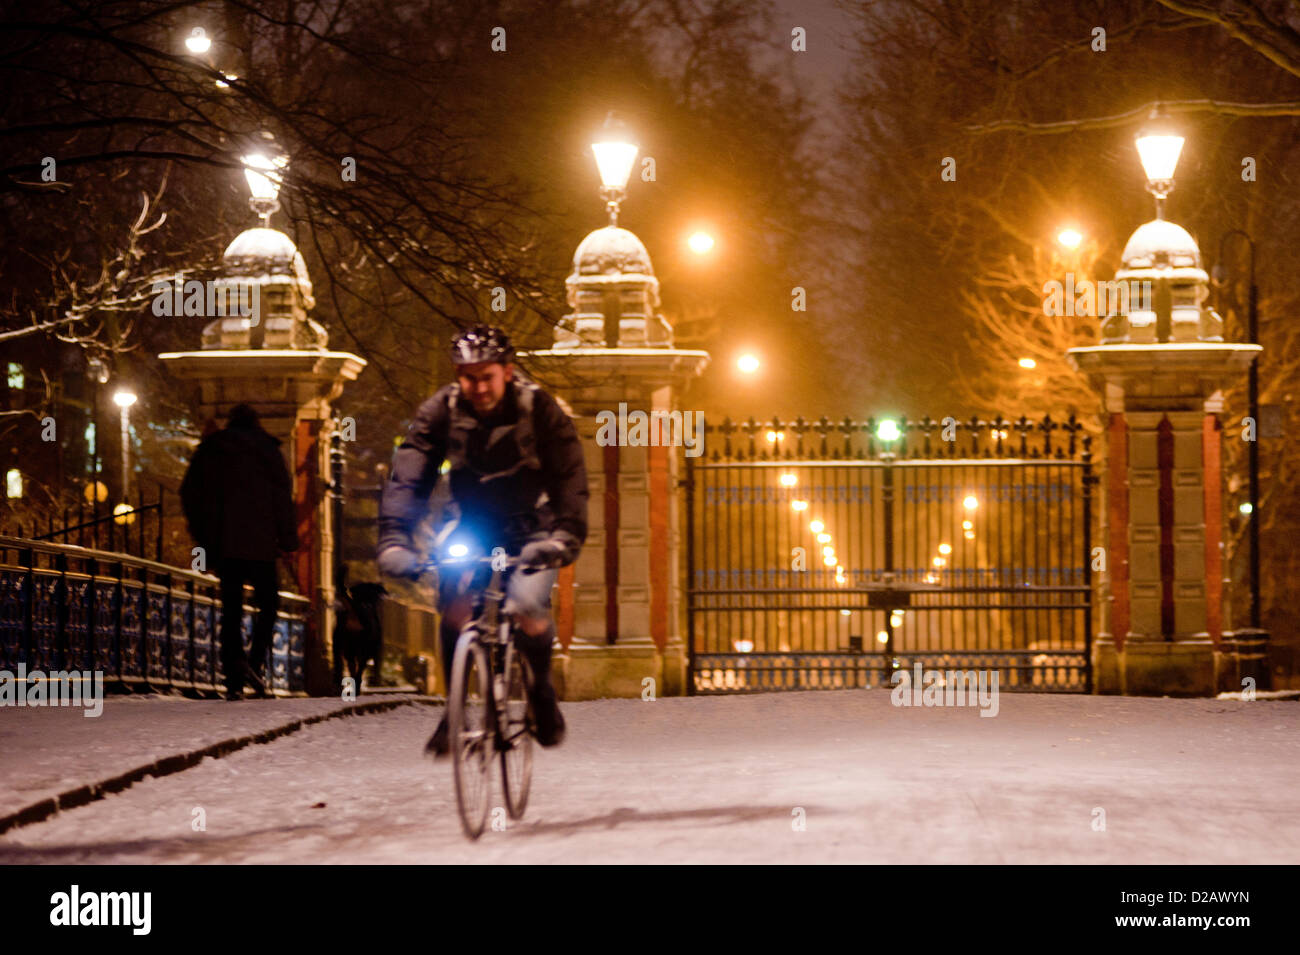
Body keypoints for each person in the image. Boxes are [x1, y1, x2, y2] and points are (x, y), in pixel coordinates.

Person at [377, 325, 588, 755]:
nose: (476, 387)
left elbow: (570, 479)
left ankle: (541, 691)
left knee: (527, 603)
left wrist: (564, 536)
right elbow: (409, 476)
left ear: (507, 372)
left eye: (485, 376)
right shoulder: (443, 410)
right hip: (471, 522)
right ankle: (453, 711)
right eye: (466, 377)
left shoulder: (540, 410)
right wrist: (395, 540)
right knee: (454, 600)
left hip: (534, 527)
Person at [181, 403, 299, 700]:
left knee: (230, 610)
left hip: (225, 545)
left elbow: (190, 492)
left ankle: (234, 674)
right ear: (256, 423)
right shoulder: (269, 450)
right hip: (261, 544)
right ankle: (255, 663)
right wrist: (287, 542)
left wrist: (203, 536)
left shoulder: (212, 449)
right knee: (269, 605)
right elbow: (282, 498)